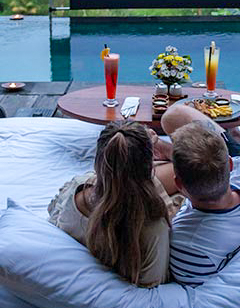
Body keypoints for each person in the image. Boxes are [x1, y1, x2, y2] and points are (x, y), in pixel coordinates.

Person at [163, 105, 240, 287]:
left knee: (173, 115)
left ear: (179, 184)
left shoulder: (188, 243)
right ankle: (232, 139)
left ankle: (165, 150)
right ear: (230, 164)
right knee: (176, 115)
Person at [47, 121, 181, 287]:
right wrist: (158, 145)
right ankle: (162, 149)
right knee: (189, 170)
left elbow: (53, 210)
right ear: (150, 168)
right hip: (137, 195)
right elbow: (155, 283)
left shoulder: (77, 192)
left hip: (109, 189)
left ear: (97, 164)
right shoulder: (152, 228)